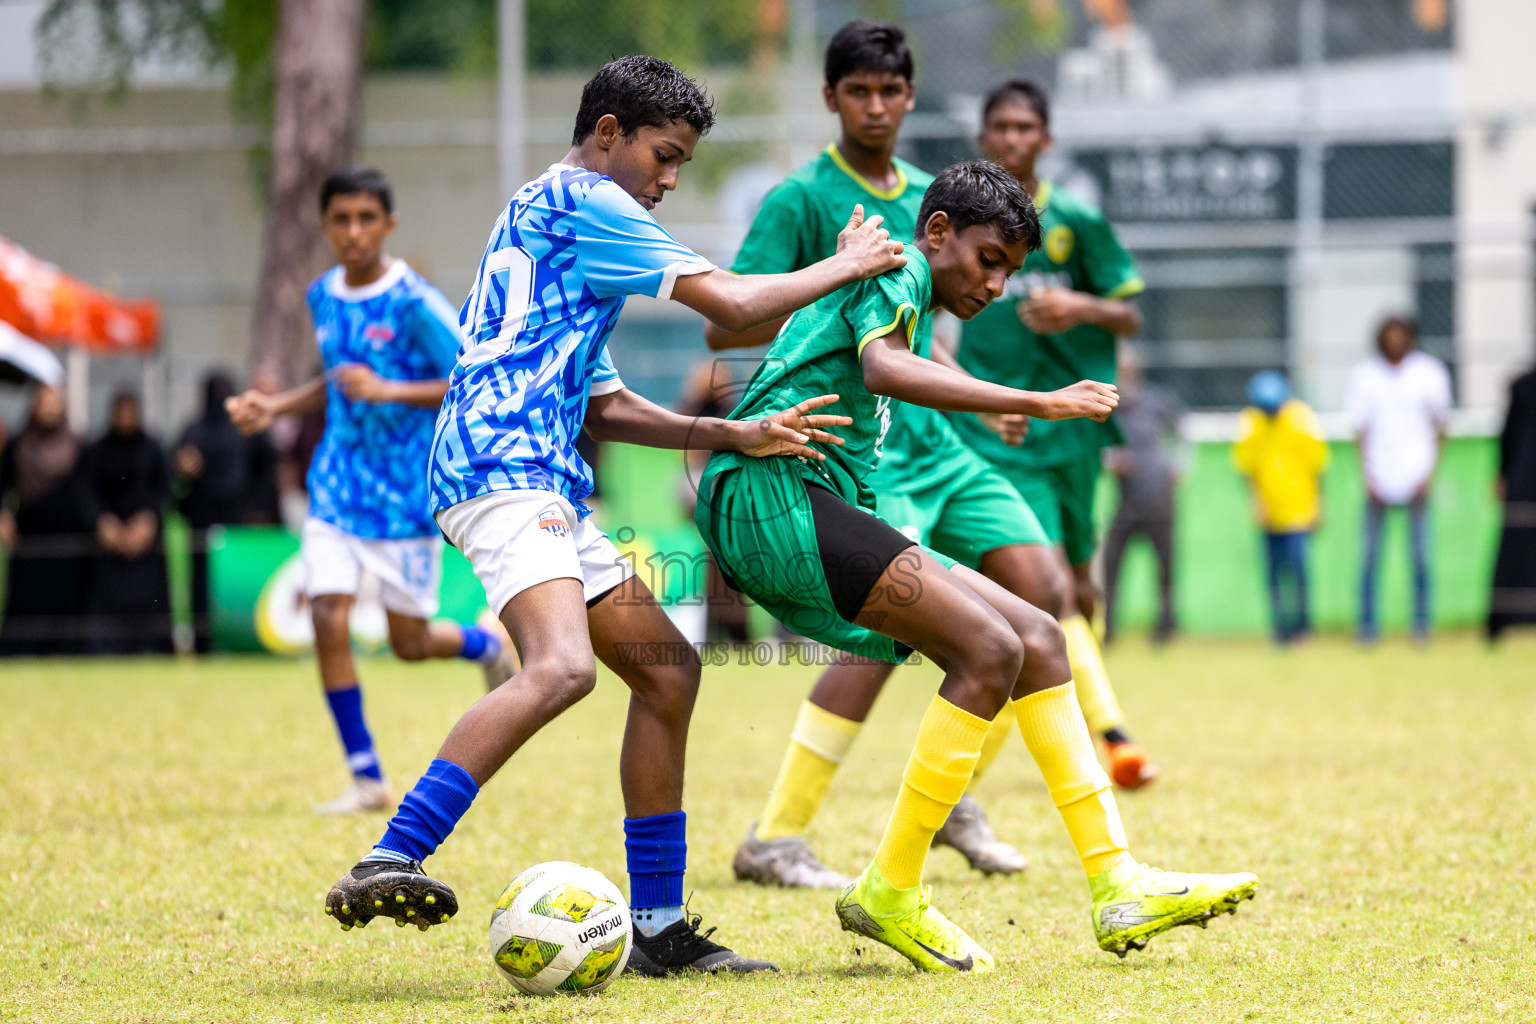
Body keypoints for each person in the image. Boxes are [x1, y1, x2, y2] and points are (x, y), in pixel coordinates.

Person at [319, 56, 907, 977]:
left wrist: (730, 430)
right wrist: (850, 264)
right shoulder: (596, 206)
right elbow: (733, 300)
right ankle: (392, 854)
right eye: (663, 157)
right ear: (607, 135)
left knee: (666, 676)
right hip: (501, 461)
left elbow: (604, 405)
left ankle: (660, 930)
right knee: (560, 669)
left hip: (535, 469)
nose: (668, 181)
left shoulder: (548, 215)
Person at [697, 160, 1257, 973]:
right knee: (987, 649)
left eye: (1012, 270)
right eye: (989, 259)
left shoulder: (904, 279)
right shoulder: (901, 269)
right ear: (938, 233)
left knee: (1034, 632)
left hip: (805, 496)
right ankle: (889, 888)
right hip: (770, 495)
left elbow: (882, 366)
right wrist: (1028, 398)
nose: (997, 284)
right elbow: (885, 368)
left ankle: (1117, 880)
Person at [708, 26, 1152, 896]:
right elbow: (739, 323)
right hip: (821, 462)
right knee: (936, 638)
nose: (877, 105)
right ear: (832, 97)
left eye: (892, 90)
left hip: (931, 437)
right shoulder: (814, 206)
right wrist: (830, 279)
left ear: (911, 99)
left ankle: (1099, 871)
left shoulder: (930, 202)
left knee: (1039, 606)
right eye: (860, 90)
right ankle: (787, 835)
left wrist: (982, 391)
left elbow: (914, 337)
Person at [227, 166, 516, 815]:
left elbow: (466, 376)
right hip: (335, 486)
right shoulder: (322, 294)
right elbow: (336, 380)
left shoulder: (413, 300)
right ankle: (366, 777)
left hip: (405, 496)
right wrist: (275, 408)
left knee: (409, 644)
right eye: (341, 219)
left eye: (366, 219)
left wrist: (391, 390)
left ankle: (487, 642)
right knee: (327, 613)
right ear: (326, 225)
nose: (353, 232)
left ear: (388, 225)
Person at [958, 77, 1158, 781]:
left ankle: (1069, 720)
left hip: (1074, 428)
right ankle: (1111, 735)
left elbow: (1131, 313)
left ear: (1045, 139)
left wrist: (1080, 306)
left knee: (1081, 584)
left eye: (1025, 128)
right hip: (1001, 433)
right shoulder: (956, 223)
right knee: (1049, 592)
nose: (1013, 139)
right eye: (1001, 128)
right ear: (985, 139)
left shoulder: (1075, 219)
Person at [1345, 316, 1451, 643]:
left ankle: (1421, 627)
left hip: (1416, 475)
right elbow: (1358, 429)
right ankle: (1367, 628)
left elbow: (1441, 426)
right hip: (1378, 477)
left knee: (1421, 558)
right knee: (1369, 558)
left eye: (1400, 334)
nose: (1394, 340)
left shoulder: (1429, 372)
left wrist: (1430, 473)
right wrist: (1366, 475)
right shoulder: (1364, 375)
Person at [175, 371, 270, 652]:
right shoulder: (193, 430)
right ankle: (203, 643)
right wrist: (183, 469)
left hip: (238, 520)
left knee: (236, 584)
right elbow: (178, 475)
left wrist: (258, 507)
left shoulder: (246, 431)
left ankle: (238, 640)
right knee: (201, 585)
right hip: (202, 519)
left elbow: (266, 468)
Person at [1233, 370, 1328, 645]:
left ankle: (1303, 628)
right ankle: (1279, 631)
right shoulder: (1250, 423)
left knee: (1298, 571)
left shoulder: (1303, 419)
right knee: (1273, 574)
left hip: (1299, 510)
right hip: (1268, 512)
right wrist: (1256, 503)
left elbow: (1317, 467)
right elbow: (1247, 469)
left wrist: (1318, 506)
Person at [0, 384, 94, 655]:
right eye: (45, 402)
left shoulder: (78, 446)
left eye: (55, 402)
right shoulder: (18, 444)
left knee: (66, 597)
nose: (50, 408)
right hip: (29, 536)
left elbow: (89, 491)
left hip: (69, 537)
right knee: (27, 599)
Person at [1102, 345, 1183, 645]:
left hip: (1159, 498)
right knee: (1111, 566)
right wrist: (1112, 460)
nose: (1125, 375)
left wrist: (1179, 465)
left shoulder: (1156, 401)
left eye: (1128, 370)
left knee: (1165, 568)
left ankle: (1166, 628)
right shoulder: (1108, 405)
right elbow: (1096, 445)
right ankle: (1108, 629)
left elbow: (1184, 433)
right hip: (1126, 501)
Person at [86, 390, 173, 654]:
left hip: (146, 544)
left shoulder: (152, 448)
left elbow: (165, 488)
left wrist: (148, 518)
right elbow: (87, 490)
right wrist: (102, 520)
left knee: (148, 601)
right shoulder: (99, 450)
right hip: (109, 545)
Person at [1488, 367, 1536, 639]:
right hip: (1524, 479)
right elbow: (1509, 434)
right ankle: (1504, 619)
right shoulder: (1523, 387)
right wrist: (1503, 473)